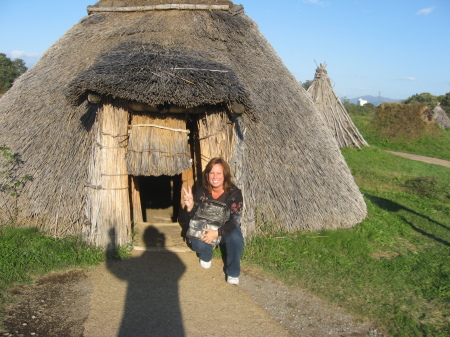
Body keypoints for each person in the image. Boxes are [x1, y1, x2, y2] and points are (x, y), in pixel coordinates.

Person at [183, 157, 244, 285]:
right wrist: (190, 207)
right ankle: (206, 254)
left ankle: (233, 271)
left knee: (236, 239)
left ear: (225, 175)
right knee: (196, 243)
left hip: (225, 228)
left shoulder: (234, 193)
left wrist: (216, 233)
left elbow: (234, 221)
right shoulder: (202, 191)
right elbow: (194, 219)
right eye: (212, 173)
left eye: (218, 173)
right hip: (206, 226)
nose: (215, 176)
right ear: (207, 175)